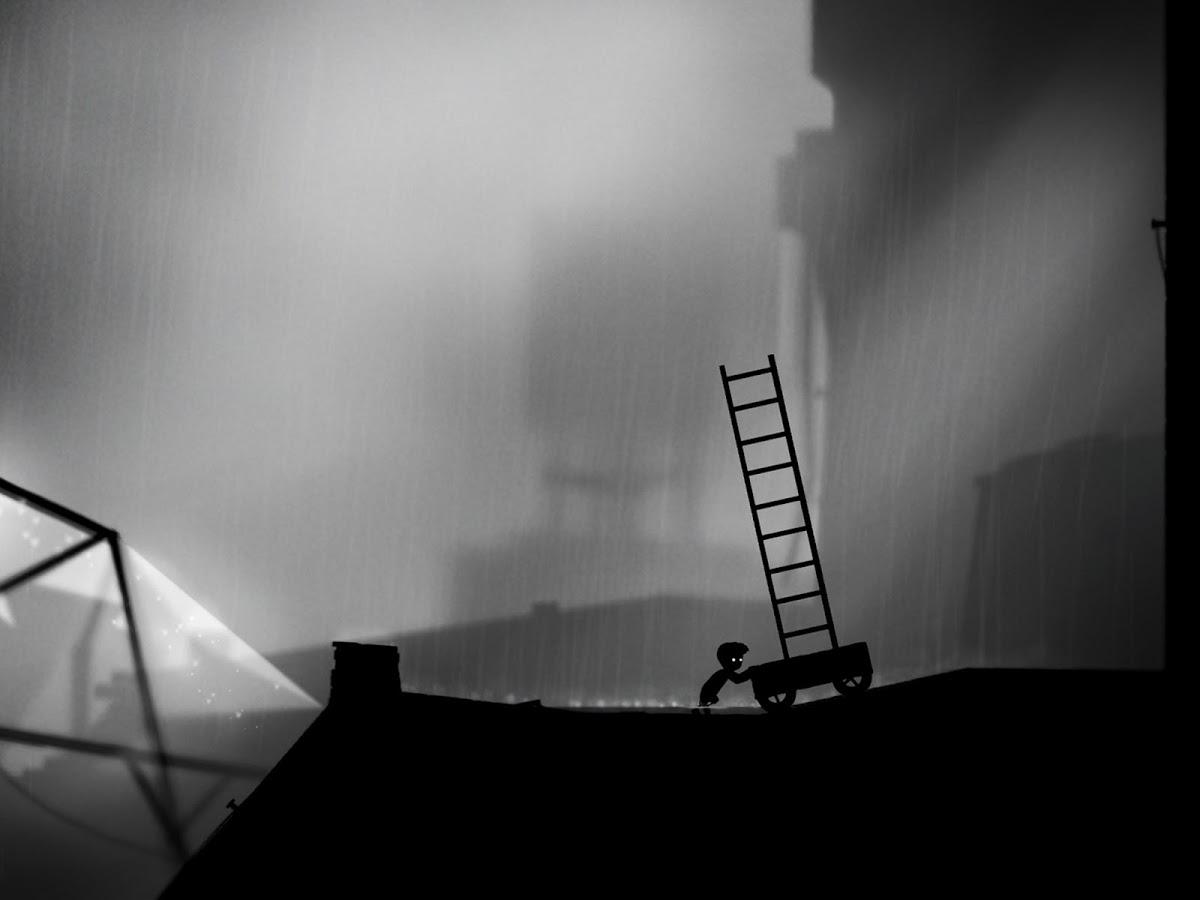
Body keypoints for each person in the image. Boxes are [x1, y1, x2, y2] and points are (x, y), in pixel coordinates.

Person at [697, 642, 751, 712]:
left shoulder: (723, 672)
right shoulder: (725, 672)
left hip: (706, 697)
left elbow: (737, 679)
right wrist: (751, 671)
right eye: (734, 660)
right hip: (706, 697)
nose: (738, 663)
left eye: (740, 659)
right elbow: (737, 679)